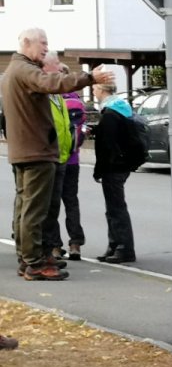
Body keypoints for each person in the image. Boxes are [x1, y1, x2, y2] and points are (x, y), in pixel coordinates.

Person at [2, 28, 112, 281]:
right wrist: (89, 78)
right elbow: (51, 83)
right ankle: (33, 262)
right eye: (42, 43)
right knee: (34, 210)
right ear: (26, 43)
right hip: (36, 152)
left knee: (27, 207)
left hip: (27, 150)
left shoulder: (14, 70)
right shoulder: (26, 70)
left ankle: (30, 258)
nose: (46, 47)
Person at [92, 83, 137, 263]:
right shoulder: (122, 108)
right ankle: (115, 245)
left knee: (116, 208)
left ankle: (123, 247)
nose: (93, 91)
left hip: (114, 166)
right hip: (123, 163)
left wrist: (99, 170)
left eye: (95, 88)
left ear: (102, 90)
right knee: (114, 207)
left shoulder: (109, 114)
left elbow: (107, 145)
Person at [40, 52, 74, 262]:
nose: (61, 69)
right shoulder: (42, 95)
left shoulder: (58, 96)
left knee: (53, 208)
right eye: (56, 65)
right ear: (46, 68)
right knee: (43, 209)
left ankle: (51, 250)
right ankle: (45, 251)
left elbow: (65, 127)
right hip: (47, 157)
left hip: (61, 157)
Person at [61, 72, 88, 261]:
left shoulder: (53, 100)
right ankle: (75, 243)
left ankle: (54, 246)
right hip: (73, 159)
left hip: (56, 159)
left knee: (52, 205)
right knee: (71, 201)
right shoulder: (77, 101)